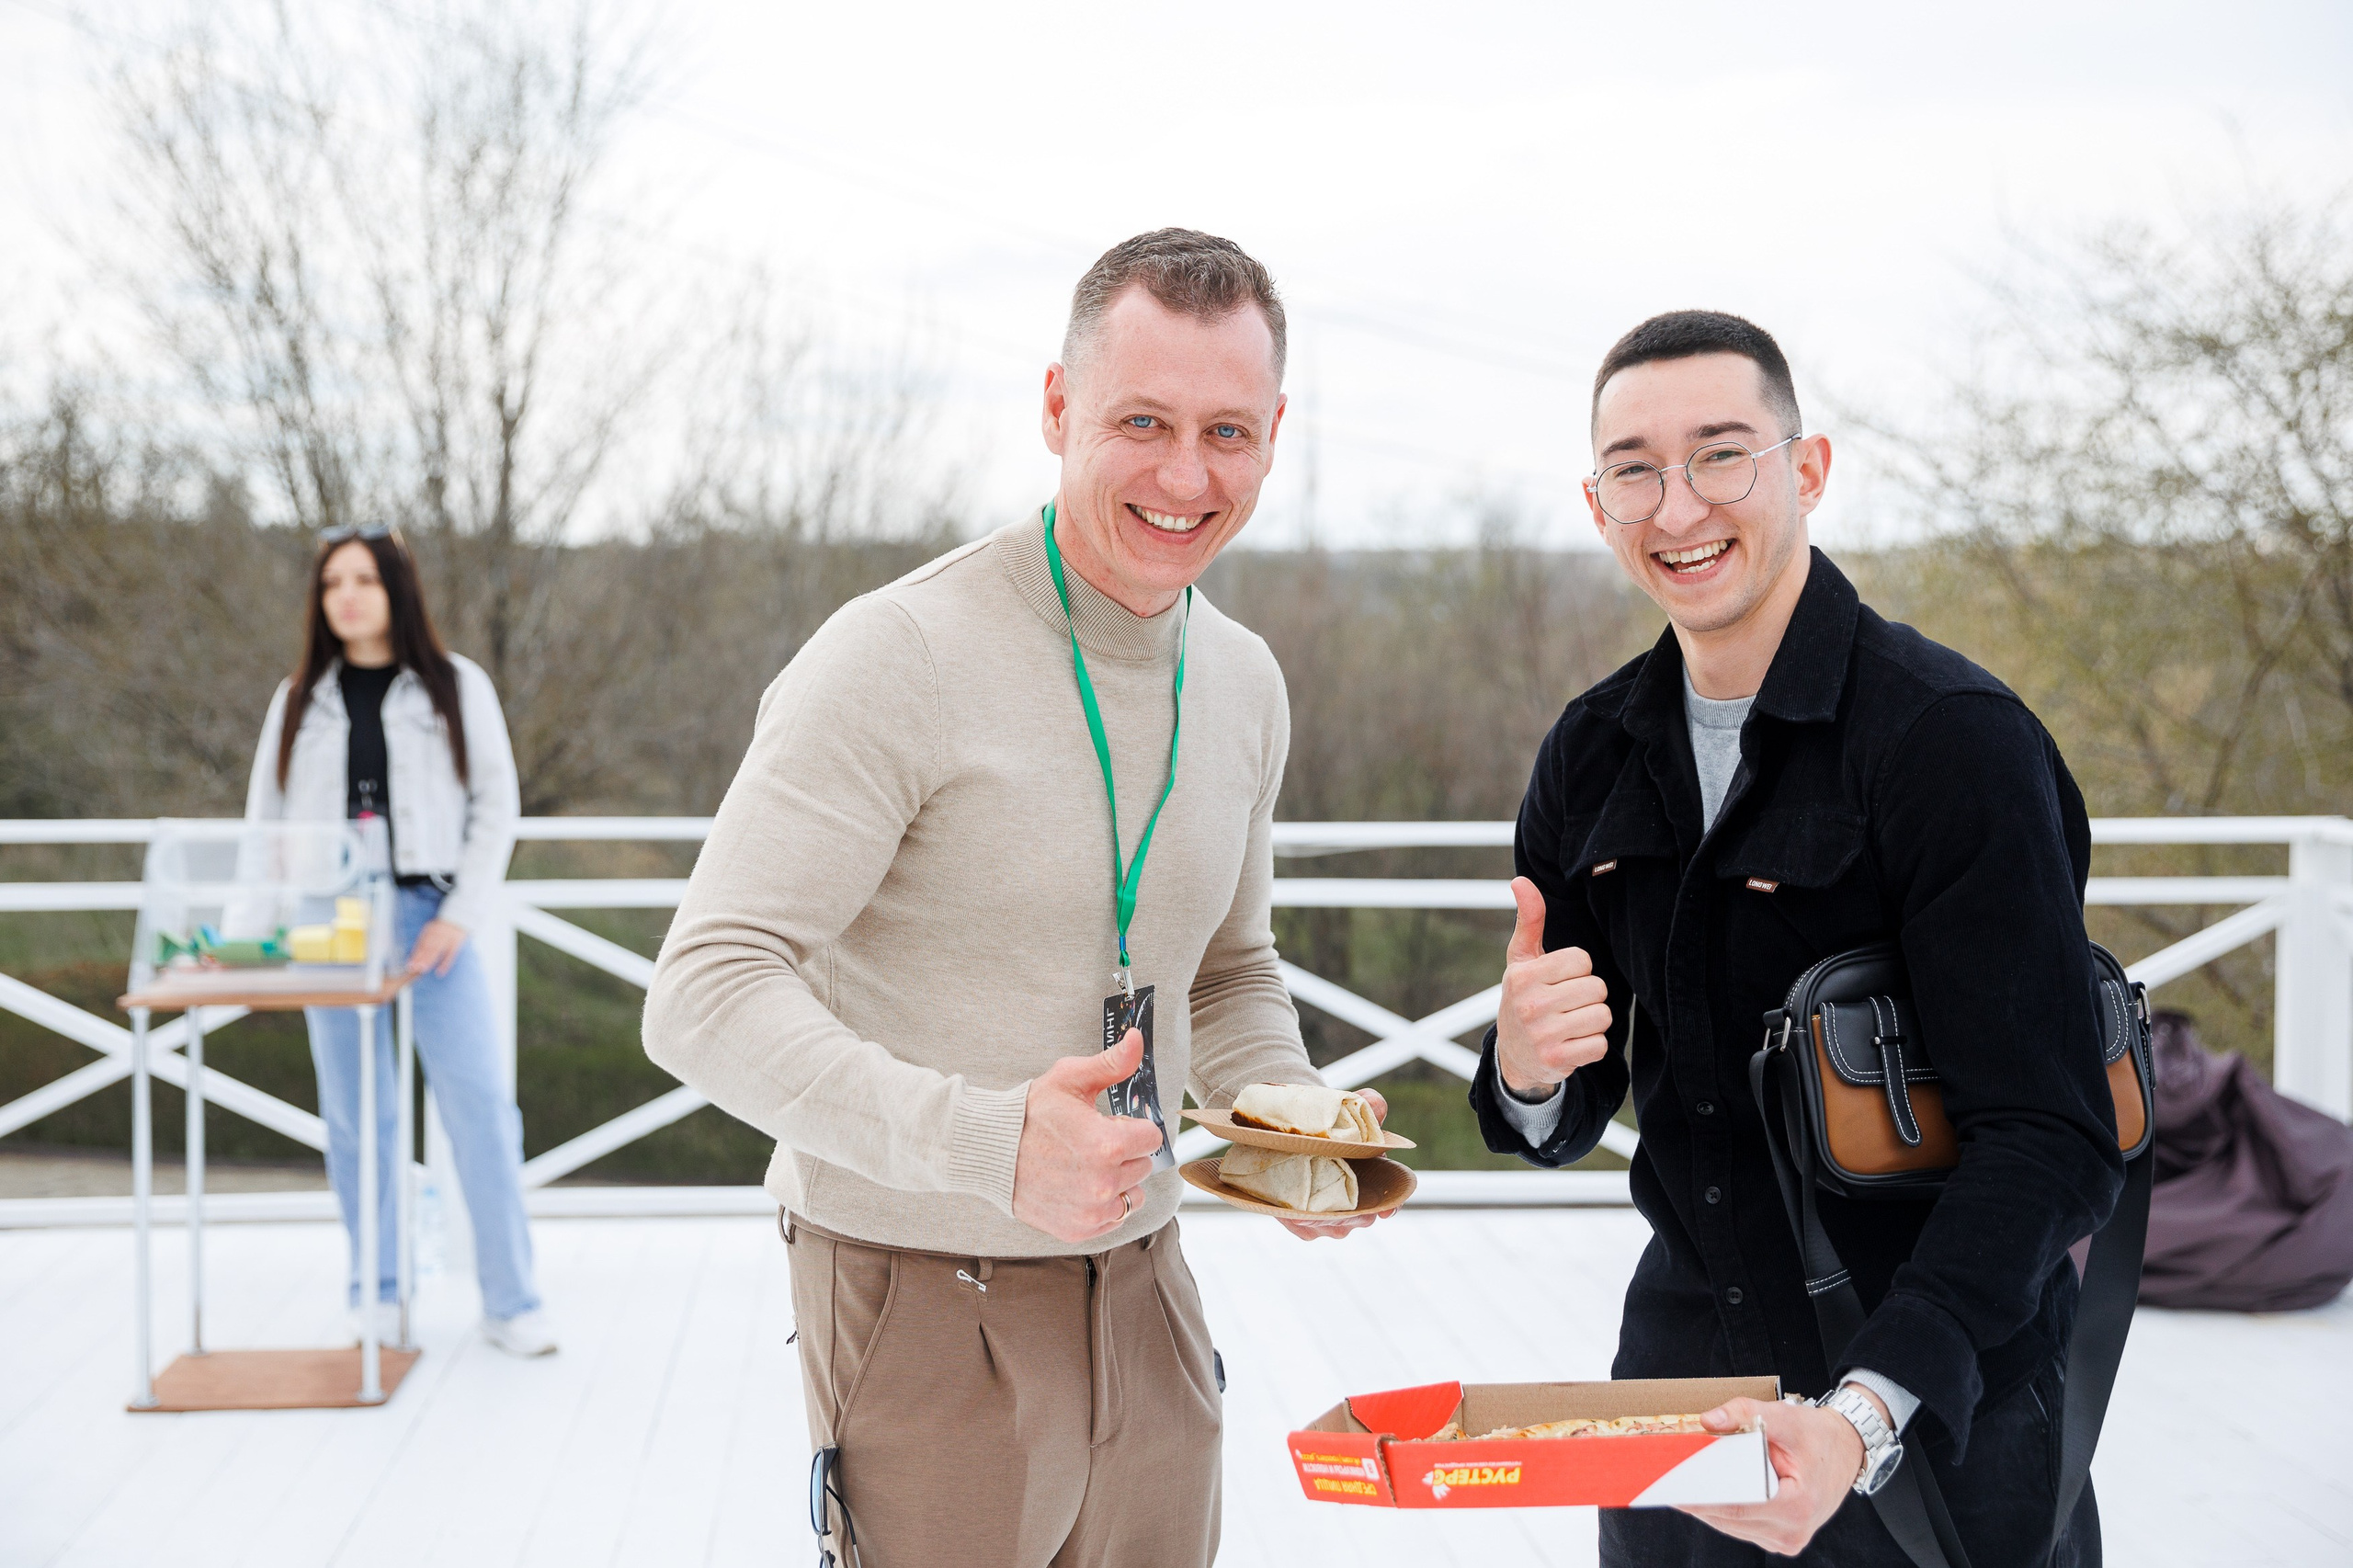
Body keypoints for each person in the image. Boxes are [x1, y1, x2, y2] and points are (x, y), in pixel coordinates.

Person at [644, 229, 1390, 1567]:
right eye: (1142, 421)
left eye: (1226, 431)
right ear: (1057, 407)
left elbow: (1227, 969)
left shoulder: (1245, 680)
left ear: (1274, 435)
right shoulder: (897, 652)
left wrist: (1292, 1118)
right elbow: (703, 991)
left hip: (1150, 1284)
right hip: (922, 1290)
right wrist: (989, 1143)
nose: (1185, 475)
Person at [1471, 312, 2124, 1564]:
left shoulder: (1951, 742)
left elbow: (2052, 1137)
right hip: (1682, 1418)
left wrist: (1860, 1416)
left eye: (1721, 454)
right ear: (1598, 504)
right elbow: (1563, 1108)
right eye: (1634, 470)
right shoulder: (1590, 753)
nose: (1678, 507)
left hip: (1938, 1423)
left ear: (1807, 468)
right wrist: (1528, 1070)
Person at [244, 525, 556, 1358]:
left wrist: (460, 914)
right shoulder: (299, 698)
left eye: (364, 580)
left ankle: (512, 1302)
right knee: (356, 1118)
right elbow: (266, 825)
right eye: (331, 583)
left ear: (397, 590)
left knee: (479, 1106)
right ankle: (377, 1294)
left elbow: (496, 806)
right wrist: (251, 943)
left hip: (431, 916)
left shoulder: (456, 685)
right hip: (328, 921)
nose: (346, 596)